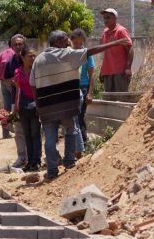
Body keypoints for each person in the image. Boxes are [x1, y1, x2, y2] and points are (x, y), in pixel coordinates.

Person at [31, 30, 129, 181]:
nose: (68, 41)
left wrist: (38, 106)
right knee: (70, 132)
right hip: (66, 105)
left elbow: (33, 85)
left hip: (46, 107)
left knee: (50, 139)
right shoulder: (67, 54)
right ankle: (69, 163)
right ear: (57, 42)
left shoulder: (38, 59)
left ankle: (51, 171)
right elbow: (91, 51)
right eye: (65, 39)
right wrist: (115, 43)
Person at [0, 34, 26, 139]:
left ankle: (5, 133)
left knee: (6, 109)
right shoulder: (17, 55)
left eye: (20, 44)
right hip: (13, 84)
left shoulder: (2, 54)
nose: (18, 46)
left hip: (3, 83)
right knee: (16, 107)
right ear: (12, 45)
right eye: (16, 44)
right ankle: (17, 129)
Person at [13, 46, 42, 172]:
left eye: (34, 56)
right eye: (30, 56)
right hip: (24, 106)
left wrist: (39, 105)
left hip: (35, 105)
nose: (33, 58)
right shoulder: (17, 72)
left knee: (35, 134)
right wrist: (16, 107)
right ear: (23, 57)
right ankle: (30, 161)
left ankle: (37, 161)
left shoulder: (37, 71)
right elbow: (18, 90)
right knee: (27, 135)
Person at [70, 28, 95, 153]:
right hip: (71, 88)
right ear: (71, 41)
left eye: (81, 43)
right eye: (76, 43)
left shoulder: (87, 54)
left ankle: (83, 145)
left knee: (79, 117)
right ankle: (77, 147)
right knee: (73, 119)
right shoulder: (68, 54)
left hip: (83, 88)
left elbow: (91, 74)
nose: (79, 46)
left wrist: (90, 92)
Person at [98, 8, 133, 92]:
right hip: (107, 72)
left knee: (120, 99)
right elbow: (106, 54)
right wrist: (102, 70)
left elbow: (130, 49)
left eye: (108, 17)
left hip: (120, 72)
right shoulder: (105, 33)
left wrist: (128, 68)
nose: (105, 20)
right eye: (104, 18)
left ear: (115, 18)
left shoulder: (121, 31)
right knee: (109, 100)